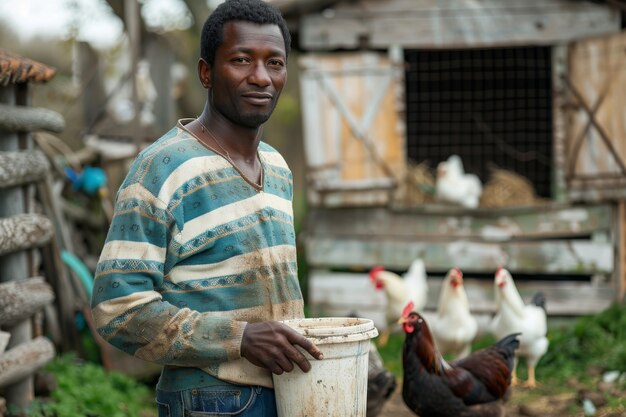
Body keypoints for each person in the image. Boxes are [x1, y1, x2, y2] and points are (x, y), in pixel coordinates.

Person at [90, 1, 323, 415]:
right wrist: (238, 338)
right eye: (240, 60)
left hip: (289, 391)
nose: (261, 77)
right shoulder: (164, 169)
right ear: (206, 73)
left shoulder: (279, 167)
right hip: (210, 399)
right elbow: (117, 305)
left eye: (275, 63)